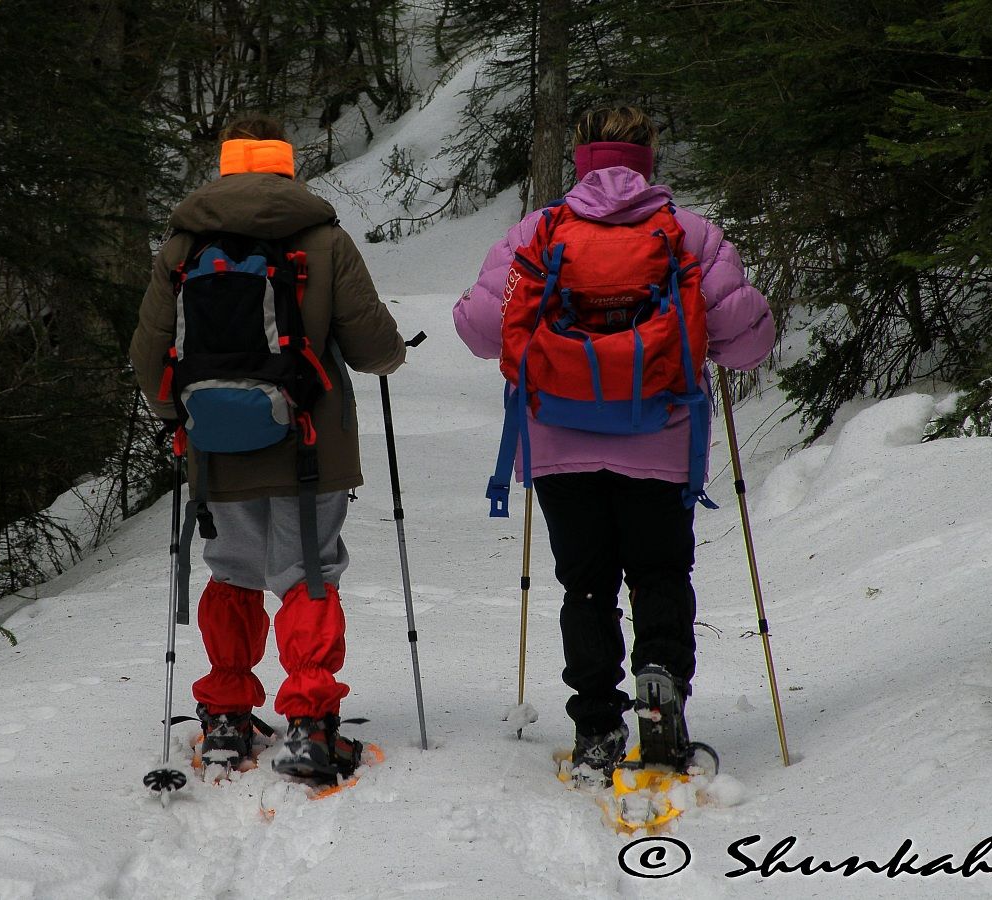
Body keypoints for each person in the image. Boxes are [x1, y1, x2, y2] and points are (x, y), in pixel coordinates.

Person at [453, 105, 774, 782]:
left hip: (559, 439)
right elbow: (747, 345)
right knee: (660, 573)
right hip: (660, 436)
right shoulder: (690, 233)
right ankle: (661, 682)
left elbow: (481, 330)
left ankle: (597, 725)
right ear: (647, 154)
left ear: (580, 154)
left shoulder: (536, 231)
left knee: (586, 585)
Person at [131, 113, 406, 781]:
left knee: (232, 570)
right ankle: (309, 723)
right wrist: (392, 357)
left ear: (225, 166)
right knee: (307, 571)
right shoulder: (324, 238)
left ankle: (226, 716)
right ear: (287, 166)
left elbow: (147, 358)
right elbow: (374, 348)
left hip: (216, 448)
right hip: (311, 444)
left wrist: (189, 418)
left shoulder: (182, 247)